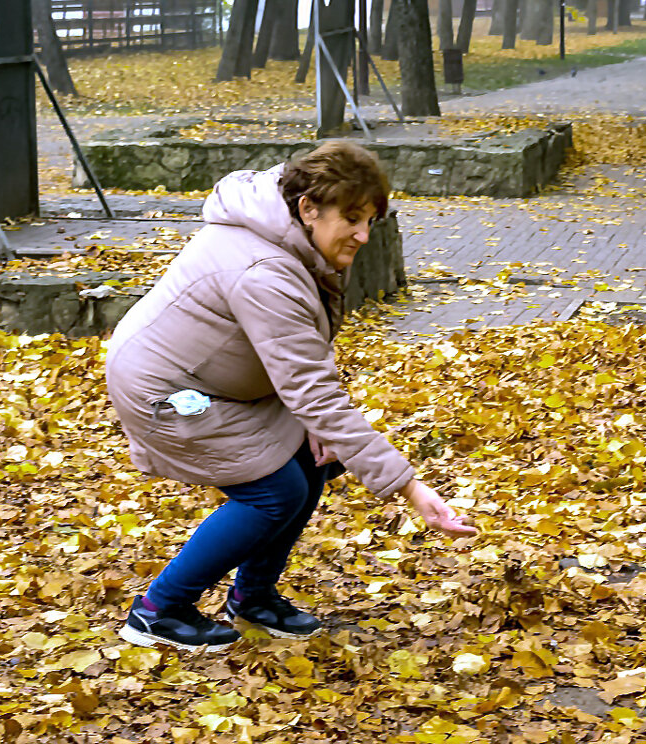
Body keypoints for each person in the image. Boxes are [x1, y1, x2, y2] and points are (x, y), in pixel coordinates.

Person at [106, 141, 477, 652]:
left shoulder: (290, 241)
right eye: (352, 218)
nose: (363, 235)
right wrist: (411, 490)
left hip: (225, 381)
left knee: (309, 461)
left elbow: (297, 355)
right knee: (274, 492)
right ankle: (159, 610)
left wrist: (317, 429)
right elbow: (311, 388)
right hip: (168, 391)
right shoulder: (263, 270)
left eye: (370, 220)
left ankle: (253, 597)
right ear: (308, 208)